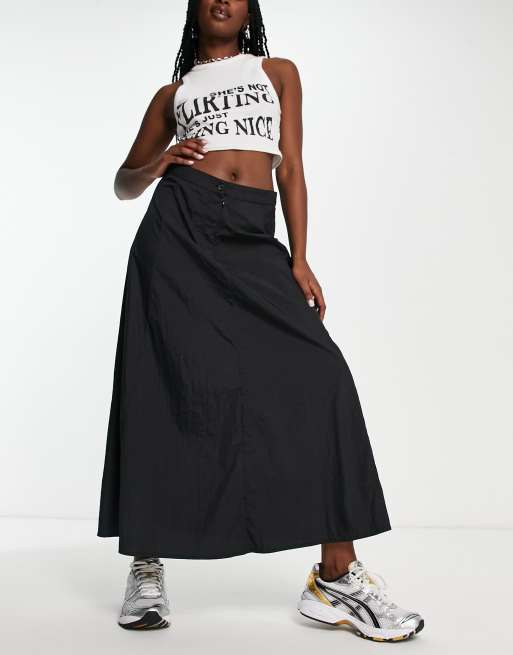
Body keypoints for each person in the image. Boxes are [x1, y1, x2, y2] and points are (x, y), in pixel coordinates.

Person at [96, 0, 424, 642]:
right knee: (163, 388)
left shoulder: (277, 73)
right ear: (194, 8)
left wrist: (299, 258)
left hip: (252, 236)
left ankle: (336, 578)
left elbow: (292, 168)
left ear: (249, 9)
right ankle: (146, 564)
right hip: (177, 235)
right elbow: (123, 184)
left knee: (322, 377)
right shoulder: (171, 95)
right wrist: (158, 164)